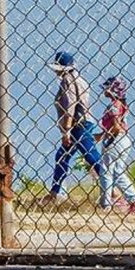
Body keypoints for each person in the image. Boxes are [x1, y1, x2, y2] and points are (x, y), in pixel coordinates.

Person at [47, 51, 104, 202]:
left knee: (92, 158)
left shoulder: (68, 80)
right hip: (82, 122)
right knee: (63, 157)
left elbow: (70, 106)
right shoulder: (79, 79)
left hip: (78, 125)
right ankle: (55, 192)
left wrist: (66, 131)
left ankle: (115, 191)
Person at [97, 76, 135, 214]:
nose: (104, 90)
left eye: (107, 88)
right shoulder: (122, 104)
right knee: (118, 171)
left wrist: (104, 136)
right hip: (124, 139)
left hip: (116, 139)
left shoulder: (114, 105)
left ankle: (105, 204)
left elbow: (116, 126)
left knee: (106, 171)